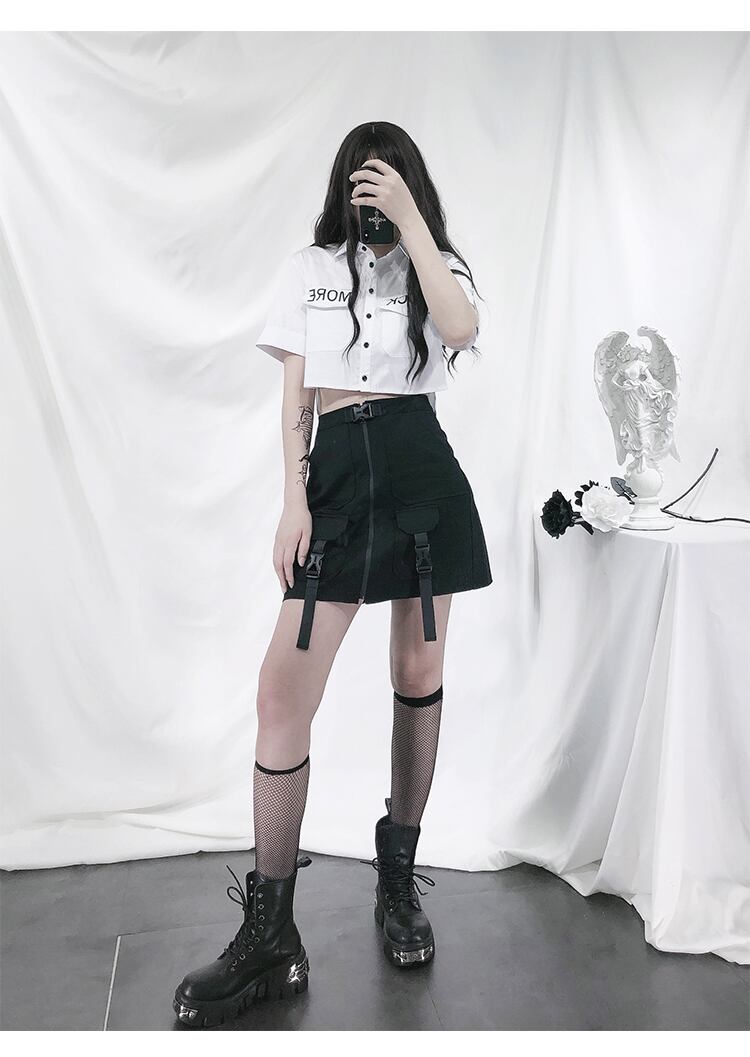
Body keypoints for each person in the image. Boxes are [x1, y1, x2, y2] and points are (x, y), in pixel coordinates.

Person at [173, 121, 492, 1029]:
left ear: (410, 185)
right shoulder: (310, 266)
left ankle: (397, 880)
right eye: (362, 181)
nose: (372, 196)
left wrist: (414, 225)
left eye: (387, 181)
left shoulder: (437, 267)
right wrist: (294, 497)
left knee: (419, 671)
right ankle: (272, 933)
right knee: (282, 691)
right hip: (340, 474)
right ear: (342, 187)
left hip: (420, 466)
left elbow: (462, 328)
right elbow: (296, 395)